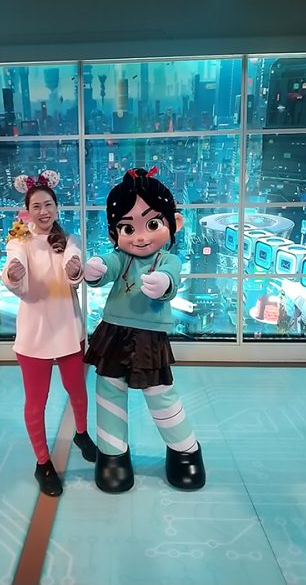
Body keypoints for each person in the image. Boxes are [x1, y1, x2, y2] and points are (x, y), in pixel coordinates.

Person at [84, 167, 206, 493]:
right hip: (113, 331)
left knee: (160, 393)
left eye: (152, 225)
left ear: (174, 223)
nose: (140, 237)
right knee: (109, 391)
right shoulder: (120, 257)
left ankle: (185, 451)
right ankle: (112, 455)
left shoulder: (168, 260)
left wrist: (163, 283)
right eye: (128, 228)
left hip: (149, 337)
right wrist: (95, 270)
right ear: (115, 234)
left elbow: (172, 278)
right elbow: (106, 267)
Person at [2, 170, 96, 497]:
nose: (43, 211)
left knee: (77, 390)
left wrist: (75, 270)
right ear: (27, 211)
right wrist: (14, 275)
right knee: (36, 402)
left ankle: (81, 433)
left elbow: (74, 261)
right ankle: (42, 462)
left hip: (68, 329)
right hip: (34, 335)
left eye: (48, 205)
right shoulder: (18, 241)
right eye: (36, 206)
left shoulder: (70, 240)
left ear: (57, 208)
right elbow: (14, 265)